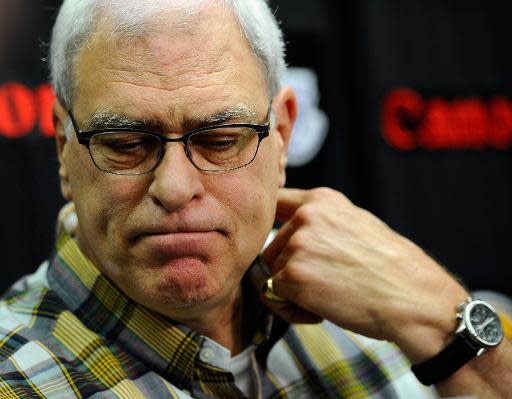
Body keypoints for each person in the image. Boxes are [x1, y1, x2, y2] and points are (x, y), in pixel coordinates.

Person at [0, 0, 511, 397]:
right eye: (126, 144)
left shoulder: (373, 320)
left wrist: (436, 312)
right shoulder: (14, 377)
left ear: (283, 135)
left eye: (220, 139)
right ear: (65, 150)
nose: (176, 188)